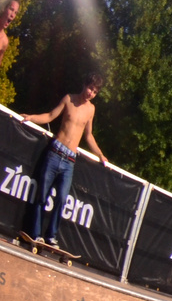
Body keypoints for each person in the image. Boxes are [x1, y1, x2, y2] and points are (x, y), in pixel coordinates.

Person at [19, 74, 107, 248]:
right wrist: (31, 117)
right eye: (90, 88)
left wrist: (101, 155)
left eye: (95, 92)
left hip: (69, 161)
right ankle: (36, 234)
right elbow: (50, 116)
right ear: (84, 84)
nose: (91, 93)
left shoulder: (91, 109)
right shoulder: (69, 99)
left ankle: (51, 236)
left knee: (61, 198)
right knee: (42, 195)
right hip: (55, 153)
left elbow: (88, 136)